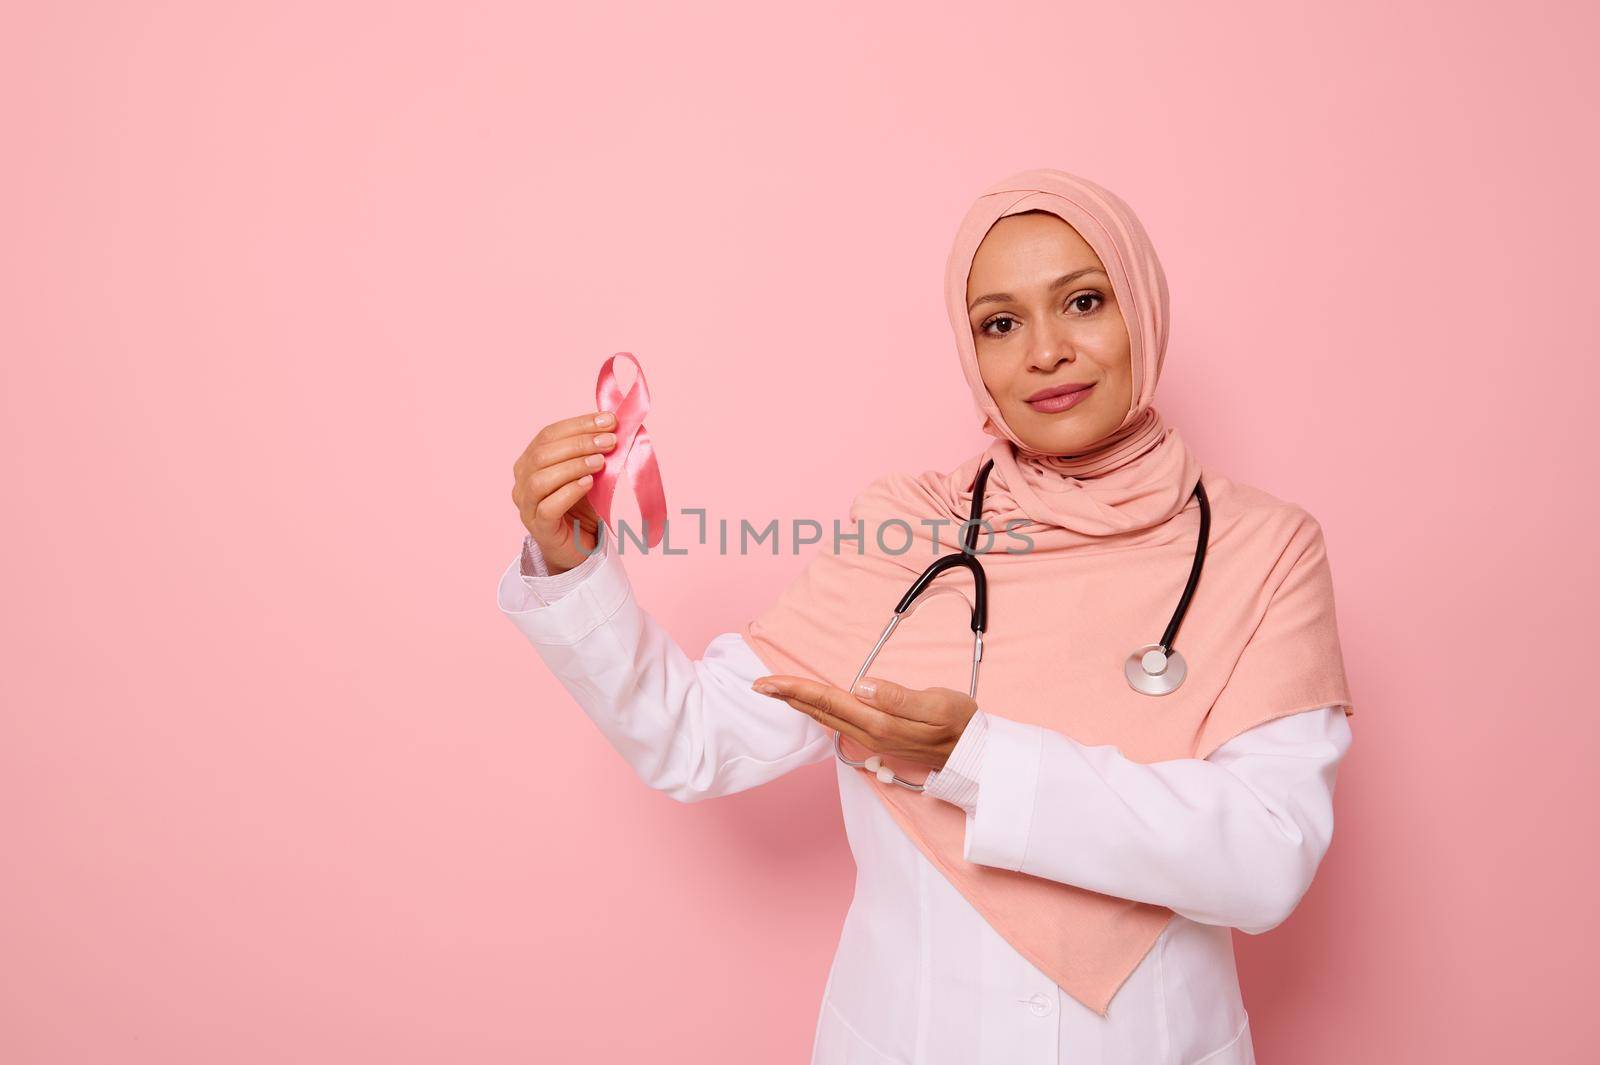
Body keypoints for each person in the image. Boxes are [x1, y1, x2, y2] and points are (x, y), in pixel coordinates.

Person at [500, 168, 1355, 1065]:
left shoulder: (1265, 549)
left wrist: (976, 758)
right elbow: (693, 736)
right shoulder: (910, 531)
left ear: (1142, 307)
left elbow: (1265, 857)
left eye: (1085, 301)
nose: (1046, 352)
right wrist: (571, 561)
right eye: (1000, 322)